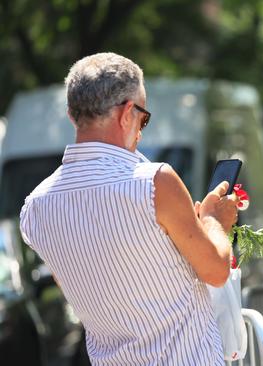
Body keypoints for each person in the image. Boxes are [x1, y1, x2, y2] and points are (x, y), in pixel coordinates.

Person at [19, 52, 237, 365]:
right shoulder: (154, 182)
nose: (141, 129)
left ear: (71, 115)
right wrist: (215, 221)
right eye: (143, 117)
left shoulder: (35, 208)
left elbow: (74, 285)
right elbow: (216, 271)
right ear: (126, 113)